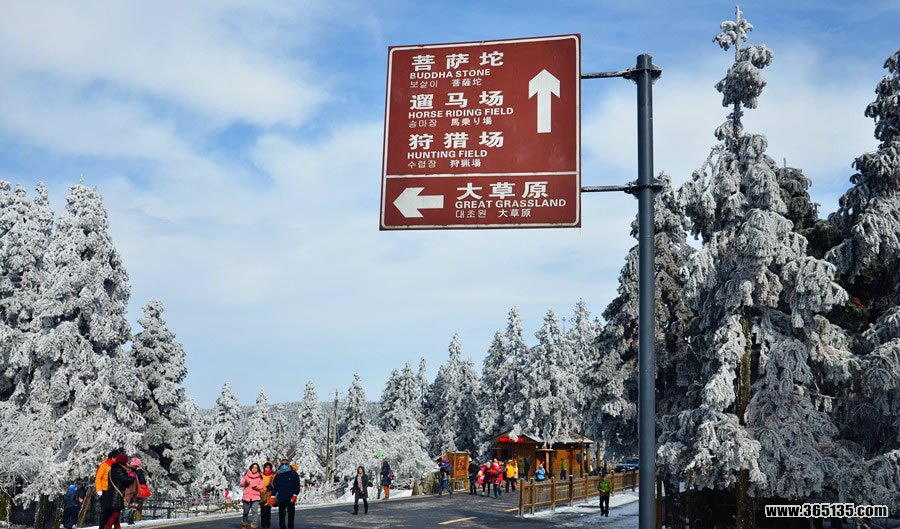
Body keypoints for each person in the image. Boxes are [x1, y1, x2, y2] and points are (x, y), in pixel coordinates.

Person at [100, 454, 135, 529]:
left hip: (111, 495)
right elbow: (127, 481)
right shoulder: (118, 470)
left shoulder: (112, 469)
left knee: (116, 516)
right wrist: (132, 475)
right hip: (115, 497)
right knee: (115, 515)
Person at [95, 449, 121, 529]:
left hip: (112, 491)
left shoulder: (115, 466)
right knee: (105, 511)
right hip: (104, 491)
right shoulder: (104, 465)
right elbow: (98, 478)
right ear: (112, 458)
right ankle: (102, 527)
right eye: (117, 458)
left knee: (111, 511)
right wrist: (99, 490)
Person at [272, 459, 300, 529]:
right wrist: (273, 496)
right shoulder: (278, 474)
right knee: (281, 515)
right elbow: (275, 486)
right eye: (282, 464)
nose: (284, 465)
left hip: (290, 498)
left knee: (291, 514)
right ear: (280, 465)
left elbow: (297, 485)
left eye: (286, 464)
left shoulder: (293, 474)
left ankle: (291, 526)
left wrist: (295, 495)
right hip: (281, 498)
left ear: (288, 464)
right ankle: (282, 527)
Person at [240, 463, 264, 529]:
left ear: (258, 469)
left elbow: (262, 486)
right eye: (253, 467)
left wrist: (256, 487)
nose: (254, 469)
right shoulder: (246, 475)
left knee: (255, 511)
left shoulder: (260, 476)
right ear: (251, 468)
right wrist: (246, 483)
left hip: (256, 497)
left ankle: (254, 525)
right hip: (246, 496)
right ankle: (244, 523)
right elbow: (241, 484)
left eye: (256, 468)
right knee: (246, 512)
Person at [259, 462, 276, 529]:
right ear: (264, 468)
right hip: (262, 494)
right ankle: (263, 525)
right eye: (266, 467)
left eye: (268, 467)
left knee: (268, 511)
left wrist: (271, 487)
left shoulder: (273, 475)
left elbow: (275, 484)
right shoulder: (261, 475)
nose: (267, 469)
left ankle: (267, 525)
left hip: (269, 494)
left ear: (270, 468)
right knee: (262, 511)